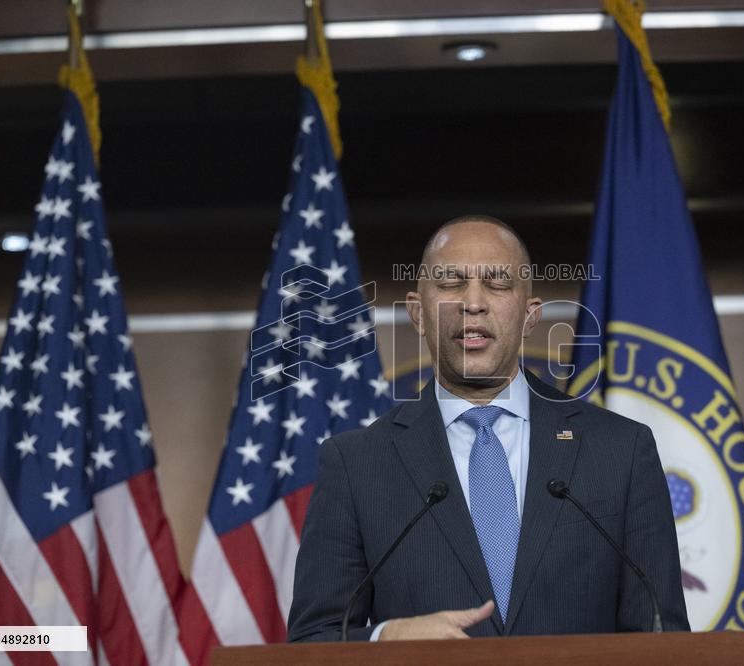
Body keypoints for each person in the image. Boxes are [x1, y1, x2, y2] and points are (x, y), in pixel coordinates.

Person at [288, 215, 689, 641]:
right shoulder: (356, 465)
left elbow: (661, 634)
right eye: (450, 283)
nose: (473, 302)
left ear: (531, 315)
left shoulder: (621, 451)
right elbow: (314, 639)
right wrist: (385, 638)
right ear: (417, 313)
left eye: (497, 284)